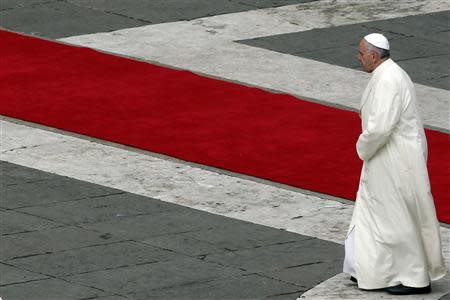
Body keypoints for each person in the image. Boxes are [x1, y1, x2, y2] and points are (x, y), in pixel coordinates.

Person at [343, 33, 447, 295]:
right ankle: (367, 269)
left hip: (394, 159)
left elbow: (380, 127)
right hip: (387, 157)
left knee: (396, 218)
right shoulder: (387, 73)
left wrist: (361, 147)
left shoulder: (389, 79)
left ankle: (415, 278)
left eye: (361, 53)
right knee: (374, 215)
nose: (358, 58)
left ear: (374, 56)